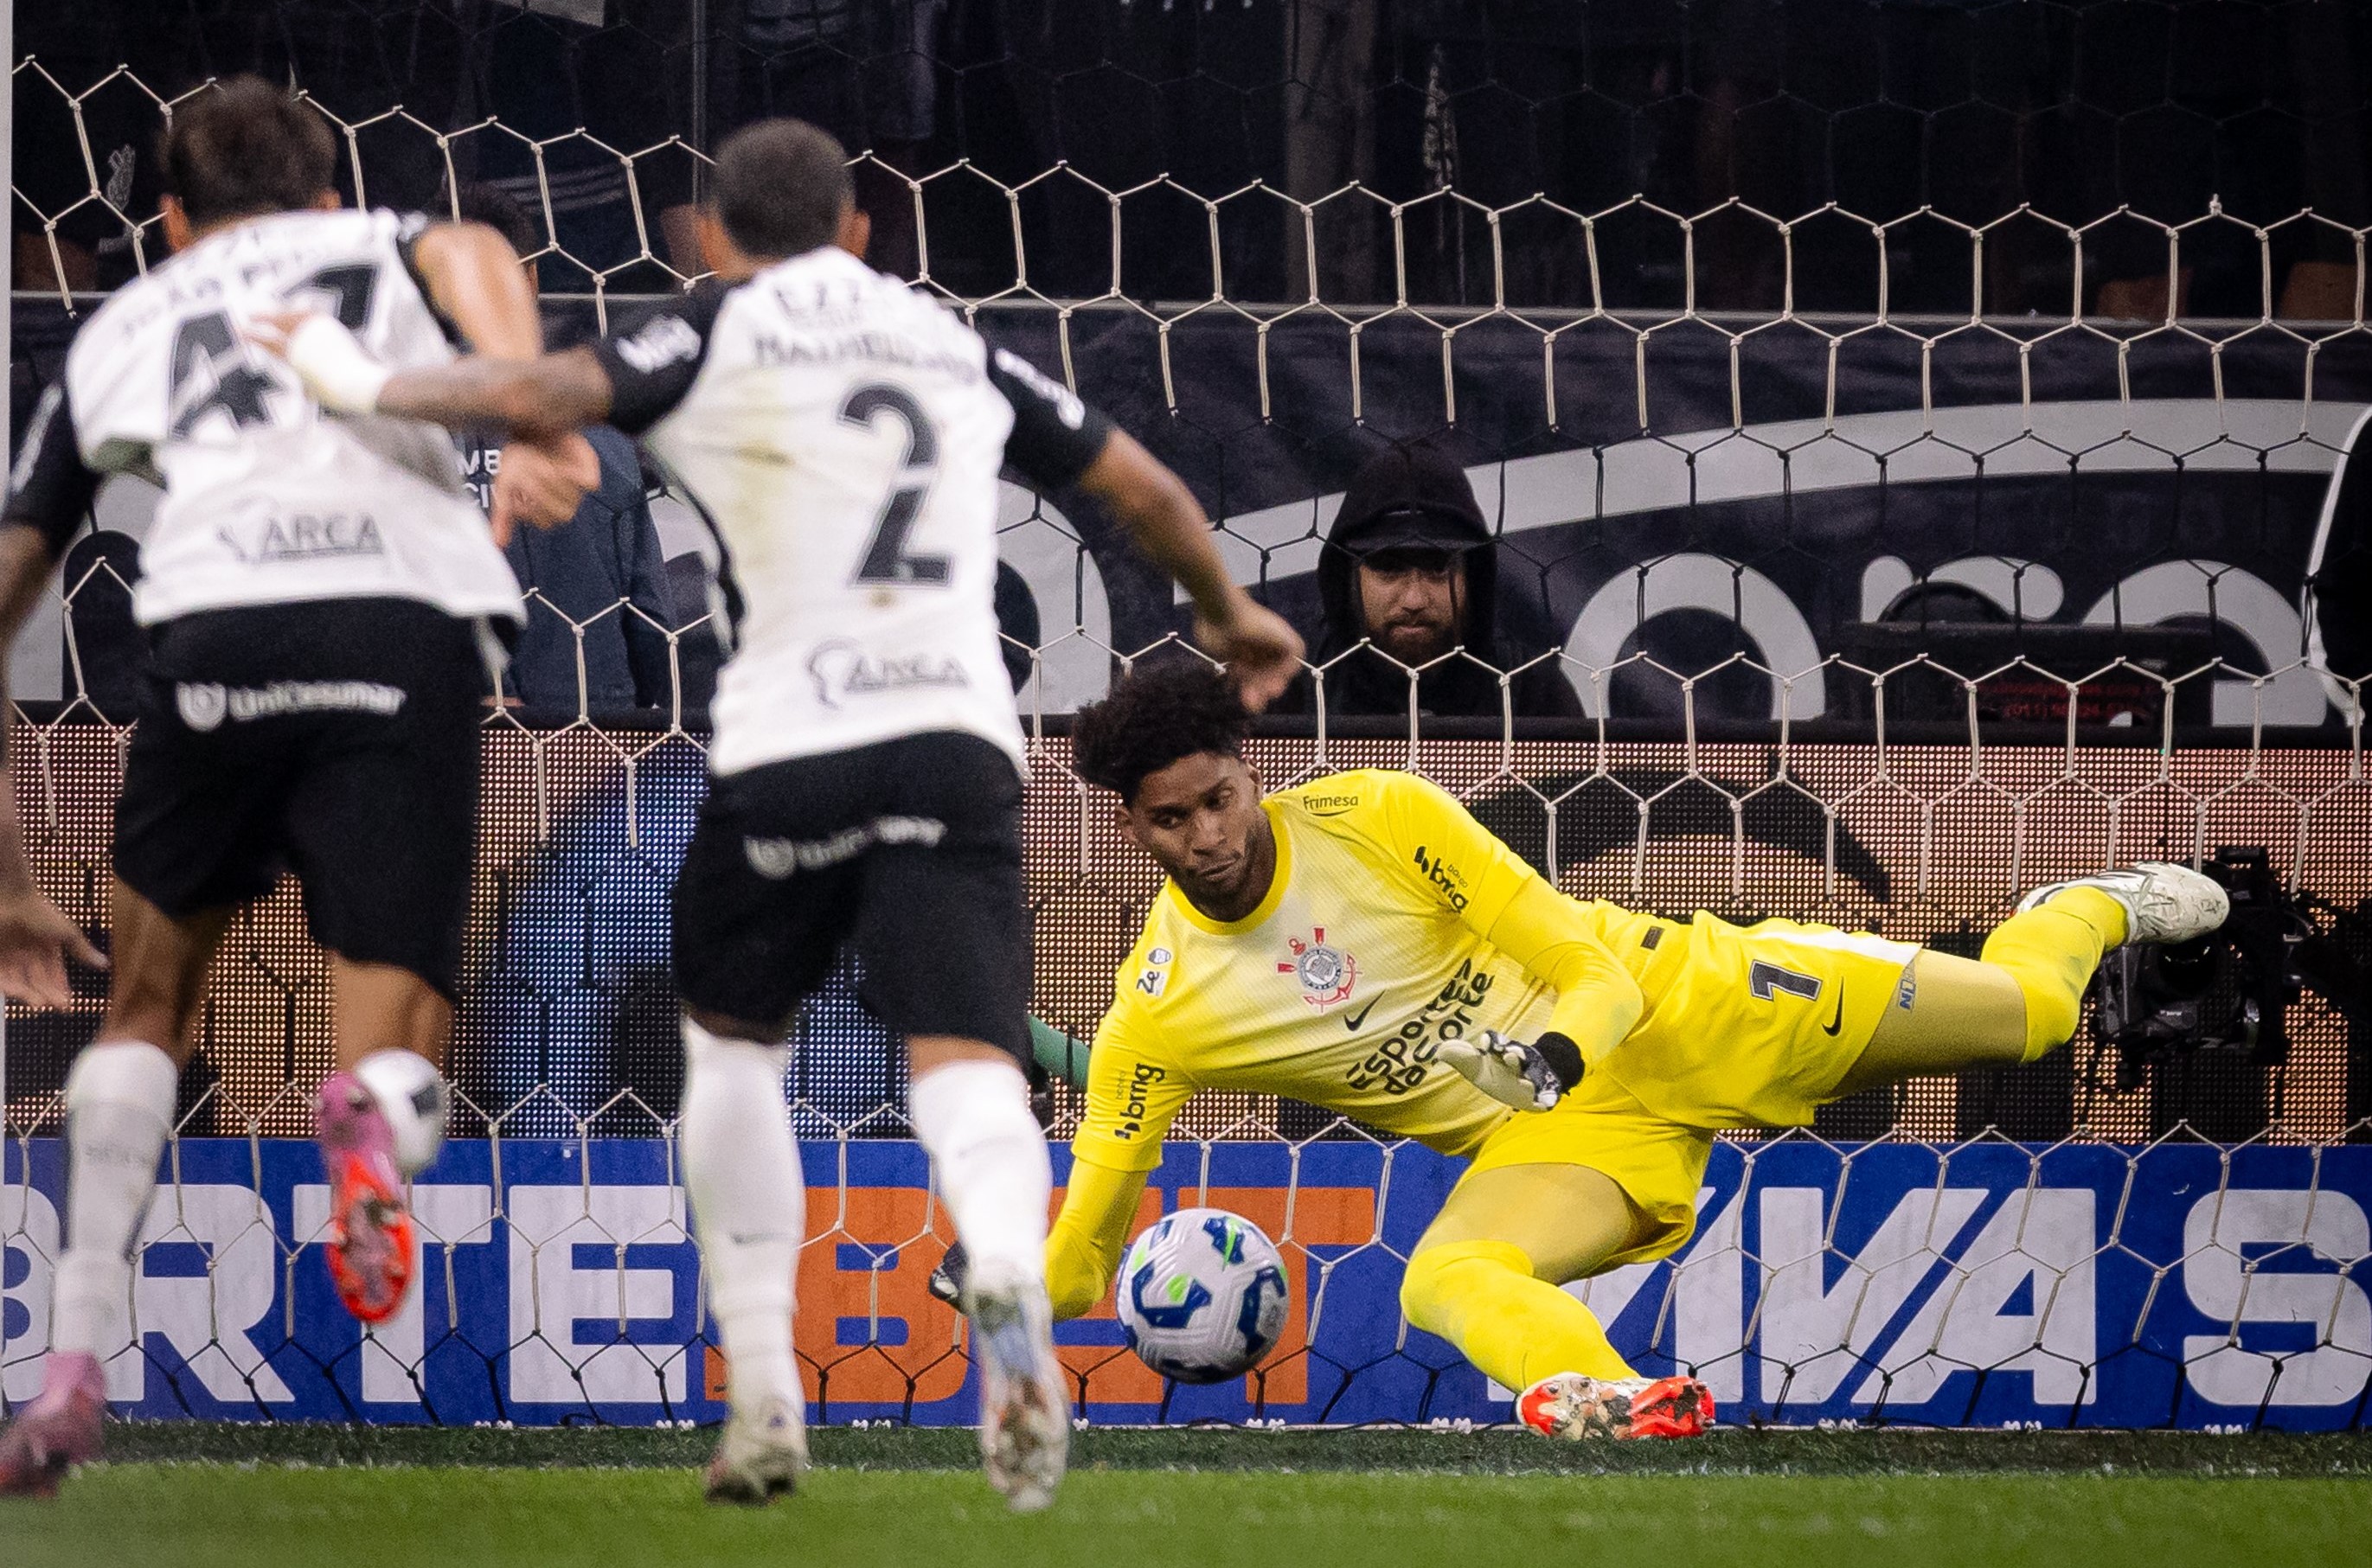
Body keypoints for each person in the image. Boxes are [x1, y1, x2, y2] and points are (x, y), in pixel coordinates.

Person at [258, 117, 1303, 1508]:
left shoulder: (708, 329)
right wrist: (1232, 613)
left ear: (706, 239)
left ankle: (763, 1395)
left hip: (789, 745)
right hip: (952, 736)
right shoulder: (952, 343)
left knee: (735, 1056)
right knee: (970, 1060)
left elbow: (535, 388)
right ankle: (1003, 1272)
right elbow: (1142, 488)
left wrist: (347, 366)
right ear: (859, 229)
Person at [953, 661, 2226, 1441]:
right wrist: (1006, 1283)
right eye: (1169, 821)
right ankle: (1612, 1401)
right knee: (1442, 1280)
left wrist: (1549, 1054)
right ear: (1131, 833)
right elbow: (1085, 1257)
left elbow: (1590, 970)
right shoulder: (1157, 1014)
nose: (1206, 836)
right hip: (1561, 1135)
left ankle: (2098, 900)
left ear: (1251, 773)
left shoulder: (1380, 815)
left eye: (1217, 798)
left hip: (1687, 998)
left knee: (2029, 1014)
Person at [0, 78, 594, 1496]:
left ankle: (70, 1368)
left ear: (170, 221)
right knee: (400, 1038)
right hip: (401, 624)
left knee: (147, 1007)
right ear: (329, 199)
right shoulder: (385, 241)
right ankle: (372, 1118)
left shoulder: (123, 324)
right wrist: (528, 404)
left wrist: (13, 873)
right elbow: (475, 253)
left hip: (215, 627)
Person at [446, 183, 677, 714]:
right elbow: (651, 622)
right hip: (589, 736)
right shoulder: (599, 433)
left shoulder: (392, 437)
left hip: (445, 735)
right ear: (531, 277)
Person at [1283, 442, 1580, 720]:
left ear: (1473, 578)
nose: (1414, 600)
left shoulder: (1529, 689)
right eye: (1388, 569)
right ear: (1348, 577)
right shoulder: (1293, 684)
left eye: (1439, 569)